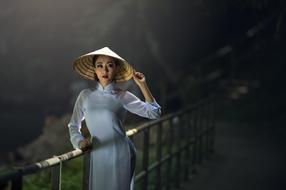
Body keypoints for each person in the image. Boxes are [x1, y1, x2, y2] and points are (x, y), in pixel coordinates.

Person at [68, 47, 161, 190]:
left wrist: (142, 84)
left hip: (120, 152)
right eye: (100, 66)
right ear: (94, 70)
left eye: (110, 65)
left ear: (116, 69)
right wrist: (79, 141)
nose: (104, 70)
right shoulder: (85, 96)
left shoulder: (122, 95)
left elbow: (154, 112)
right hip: (98, 153)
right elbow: (73, 126)